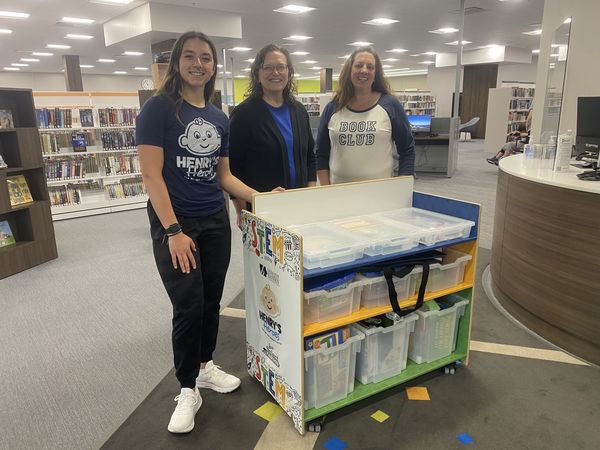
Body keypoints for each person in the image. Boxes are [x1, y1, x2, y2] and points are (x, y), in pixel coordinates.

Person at [136, 31, 261, 434]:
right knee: (188, 305)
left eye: (205, 58)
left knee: (211, 300)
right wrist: (172, 230)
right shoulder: (158, 110)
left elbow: (223, 175)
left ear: (214, 66)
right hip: (176, 225)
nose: (198, 64)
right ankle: (187, 387)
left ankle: (205, 367)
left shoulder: (219, 117)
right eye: (189, 56)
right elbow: (151, 176)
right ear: (176, 63)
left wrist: (262, 197)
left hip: (213, 221)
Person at [229, 43, 316, 222]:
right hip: (262, 210)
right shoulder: (244, 114)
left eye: (280, 67)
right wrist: (242, 211)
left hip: (300, 206)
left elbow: (310, 158)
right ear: (257, 74)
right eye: (267, 67)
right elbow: (233, 168)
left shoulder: (299, 111)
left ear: (289, 72)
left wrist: (309, 194)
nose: (275, 73)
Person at [315, 46, 415, 185]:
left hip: (380, 192)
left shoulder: (390, 105)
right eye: (358, 65)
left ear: (376, 73)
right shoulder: (333, 108)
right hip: (339, 192)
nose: (364, 70)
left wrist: (402, 187)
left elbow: (407, 149)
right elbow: (321, 154)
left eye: (370, 67)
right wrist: (326, 189)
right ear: (349, 70)